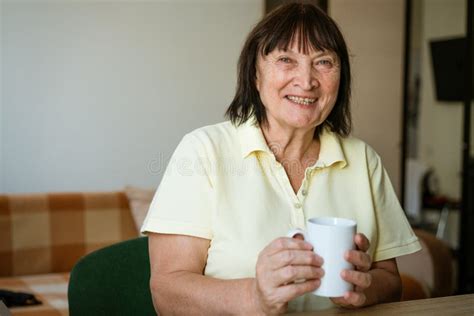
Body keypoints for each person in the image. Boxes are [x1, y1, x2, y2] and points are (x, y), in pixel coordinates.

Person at [141, 3, 421, 314]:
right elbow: (166, 292)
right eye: (286, 60)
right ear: (255, 75)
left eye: (323, 62)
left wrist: (362, 289)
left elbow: (390, 280)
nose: (307, 80)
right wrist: (254, 297)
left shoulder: (364, 160)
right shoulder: (203, 151)